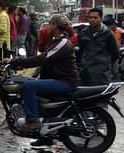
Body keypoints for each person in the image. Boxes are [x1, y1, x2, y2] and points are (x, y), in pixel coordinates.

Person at [8, 14, 78, 145]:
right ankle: (45, 136)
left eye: (50, 24)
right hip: (57, 79)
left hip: (65, 82)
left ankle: (33, 121)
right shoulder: (55, 41)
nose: (47, 27)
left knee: (28, 87)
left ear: (55, 26)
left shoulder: (63, 42)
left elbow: (43, 58)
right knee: (25, 82)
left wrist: (16, 62)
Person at [77, 7, 121, 85]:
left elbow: (115, 53)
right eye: (90, 17)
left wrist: (105, 65)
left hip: (102, 75)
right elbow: (81, 51)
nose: (92, 20)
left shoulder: (108, 34)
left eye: (95, 17)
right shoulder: (83, 33)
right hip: (85, 73)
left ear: (100, 18)